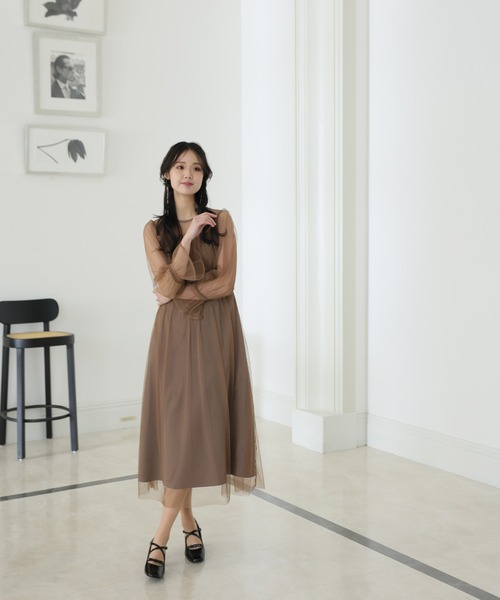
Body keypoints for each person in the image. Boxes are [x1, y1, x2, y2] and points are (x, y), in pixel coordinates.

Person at [138, 141, 264, 579]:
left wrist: (176, 290)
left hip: (215, 332)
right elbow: (163, 284)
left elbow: (225, 284)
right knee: (179, 429)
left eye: (196, 167)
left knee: (195, 426)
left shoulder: (221, 221)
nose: (187, 174)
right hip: (173, 337)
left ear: (205, 176)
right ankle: (185, 524)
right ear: (167, 174)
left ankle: (162, 535)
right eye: (179, 166)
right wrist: (188, 237)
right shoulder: (154, 230)